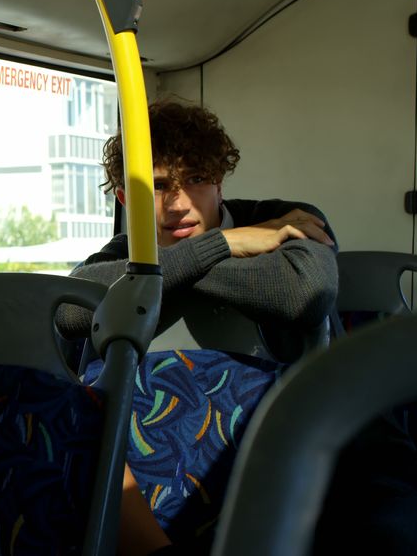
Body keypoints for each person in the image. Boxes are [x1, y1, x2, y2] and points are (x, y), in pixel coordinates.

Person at [56, 101, 339, 555]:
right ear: (127, 198)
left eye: (196, 180)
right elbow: (72, 309)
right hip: (150, 468)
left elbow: (303, 293)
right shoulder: (123, 250)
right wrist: (225, 243)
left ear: (219, 184)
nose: (178, 204)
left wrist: (163, 270)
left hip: (280, 445)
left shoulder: (286, 216)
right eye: (159, 186)